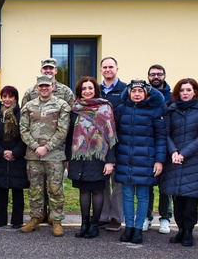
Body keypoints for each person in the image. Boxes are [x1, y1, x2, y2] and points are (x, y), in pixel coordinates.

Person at [160, 78, 198, 246]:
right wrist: (173, 151)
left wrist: (183, 153)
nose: (185, 93)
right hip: (174, 158)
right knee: (177, 197)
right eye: (182, 90)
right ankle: (180, 229)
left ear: (195, 92)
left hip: (193, 160)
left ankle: (189, 231)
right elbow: (165, 133)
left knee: (190, 198)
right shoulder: (171, 110)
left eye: (189, 90)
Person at [113, 79, 166, 244]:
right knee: (127, 196)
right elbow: (114, 135)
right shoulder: (121, 109)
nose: (136, 94)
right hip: (125, 159)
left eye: (140, 91)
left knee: (143, 196)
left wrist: (159, 160)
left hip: (146, 160)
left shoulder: (155, 110)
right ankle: (128, 227)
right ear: (128, 93)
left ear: (146, 93)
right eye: (133, 91)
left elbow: (161, 137)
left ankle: (138, 230)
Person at [66, 76, 117, 238]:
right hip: (79, 157)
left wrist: (110, 161)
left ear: (95, 90)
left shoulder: (105, 108)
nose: (87, 91)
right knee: (83, 190)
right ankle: (84, 224)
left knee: (96, 190)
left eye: (90, 88)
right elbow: (69, 136)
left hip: (98, 157)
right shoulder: (75, 109)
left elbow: (111, 137)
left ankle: (95, 225)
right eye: (84, 89)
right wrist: (68, 158)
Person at [19, 75, 71, 235]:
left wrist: (47, 147)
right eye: (41, 86)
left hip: (54, 156)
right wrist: (36, 147)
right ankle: (35, 218)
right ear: (37, 88)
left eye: (47, 86)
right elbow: (23, 129)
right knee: (35, 189)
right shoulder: (28, 106)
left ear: (52, 87)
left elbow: (63, 130)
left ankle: (56, 221)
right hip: (34, 156)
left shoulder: (62, 105)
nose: (44, 88)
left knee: (55, 189)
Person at [0, 85, 28, 229]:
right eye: (4, 96)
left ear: (15, 98)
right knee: (1, 190)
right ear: (1, 98)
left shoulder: (22, 114)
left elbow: (25, 135)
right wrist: (1, 152)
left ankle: (17, 221)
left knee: (17, 190)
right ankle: (0, 220)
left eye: (10, 96)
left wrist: (14, 152)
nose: (7, 99)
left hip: (17, 157)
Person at [98, 57, 127, 232]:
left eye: (111, 67)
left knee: (117, 183)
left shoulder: (124, 90)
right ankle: (103, 216)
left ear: (117, 68)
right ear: (101, 70)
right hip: (99, 143)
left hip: (120, 141)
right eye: (105, 67)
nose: (108, 69)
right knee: (102, 181)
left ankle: (116, 217)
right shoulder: (96, 89)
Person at [145, 64, 173, 234]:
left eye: (159, 74)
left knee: (165, 187)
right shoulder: (144, 95)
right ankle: (147, 217)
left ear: (164, 76)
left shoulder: (172, 96)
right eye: (152, 74)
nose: (156, 77)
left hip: (167, 145)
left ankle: (165, 218)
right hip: (147, 146)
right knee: (146, 185)